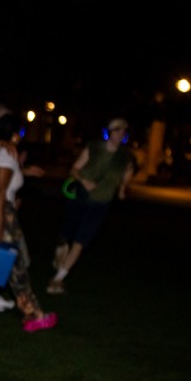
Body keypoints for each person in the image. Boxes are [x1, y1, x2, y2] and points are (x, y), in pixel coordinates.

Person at [0, 113, 57, 332]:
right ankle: (33, 313)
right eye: (21, 132)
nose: (22, 136)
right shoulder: (6, 153)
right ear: (13, 133)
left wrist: (25, 171)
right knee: (16, 264)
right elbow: (0, 190)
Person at [48, 117, 136, 295]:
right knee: (65, 236)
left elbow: (127, 173)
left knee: (81, 241)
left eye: (123, 131)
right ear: (109, 132)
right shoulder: (94, 147)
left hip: (101, 203)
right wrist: (84, 181)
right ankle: (60, 257)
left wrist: (122, 189)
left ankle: (58, 279)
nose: (120, 134)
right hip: (81, 196)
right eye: (117, 130)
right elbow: (74, 169)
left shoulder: (126, 156)